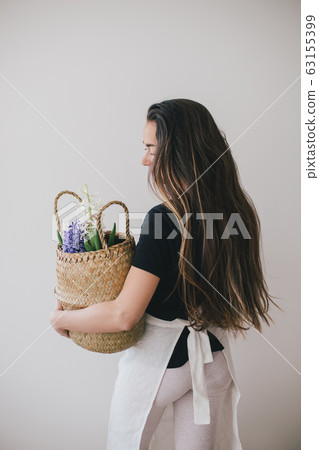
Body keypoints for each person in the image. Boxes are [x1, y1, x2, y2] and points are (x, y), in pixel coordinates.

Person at [50, 99, 280, 449]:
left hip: (160, 367)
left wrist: (63, 319)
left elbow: (123, 315)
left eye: (151, 149)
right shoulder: (238, 211)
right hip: (214, 362)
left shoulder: (163, 219)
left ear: (179, 152)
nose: (144, 159)